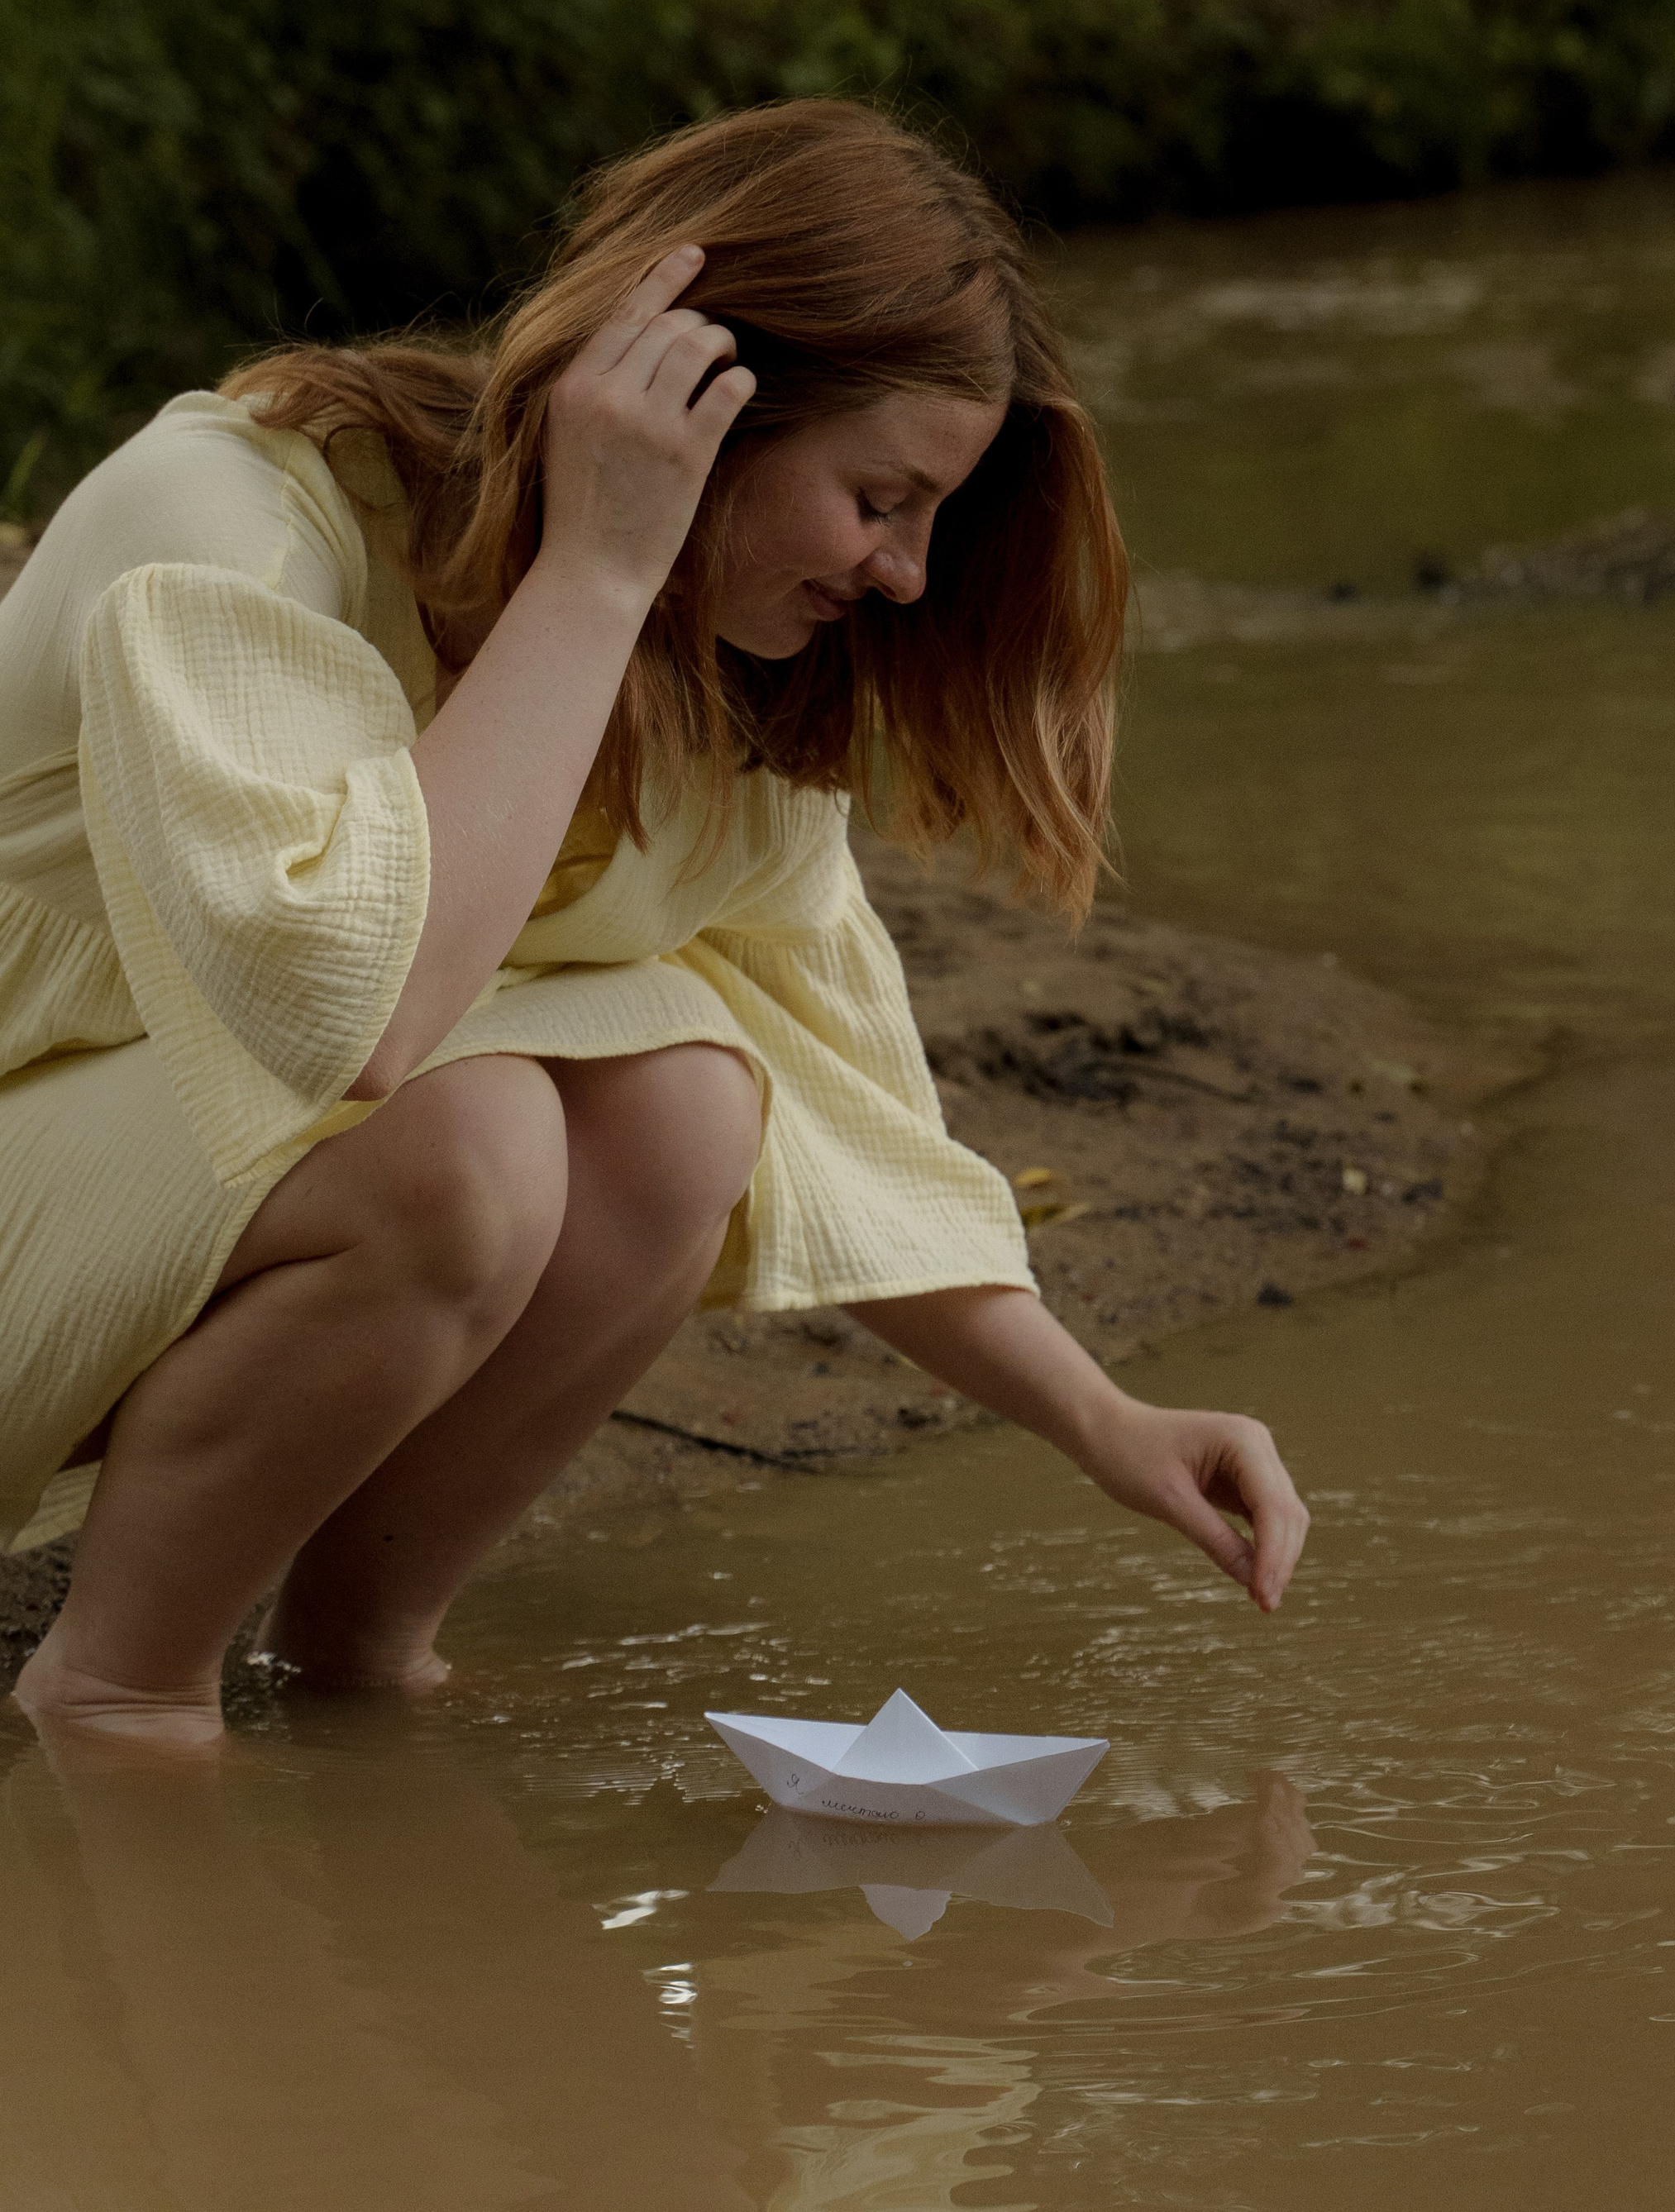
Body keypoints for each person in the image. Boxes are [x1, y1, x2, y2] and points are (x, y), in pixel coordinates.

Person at [0, 101, 1309, 1750]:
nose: (903, 572)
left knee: (688, 1104)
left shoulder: (710, 688)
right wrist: (601, 562)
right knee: (464, 1144)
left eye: (930, 521)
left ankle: (361, 1667)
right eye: (876, 497)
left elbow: (839, 1105)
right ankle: (122, 1685)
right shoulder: (231, 527)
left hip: (135, 1215)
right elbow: (358, 1012)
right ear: (685, 397)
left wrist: (1101, 1416)